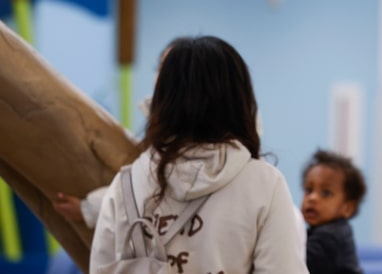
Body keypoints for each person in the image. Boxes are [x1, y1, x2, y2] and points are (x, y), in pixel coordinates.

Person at [89, 35, 308, 273]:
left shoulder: (127, 183)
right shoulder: (264, 185)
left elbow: (100, 267)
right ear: (239, 100)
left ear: (163, 99)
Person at [301, 149, 366, 274]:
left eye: (326, 193)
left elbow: (295, 265)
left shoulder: (331, 236)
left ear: (347, 208)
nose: (312, 198)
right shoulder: (323, 231)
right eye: (308, 190)